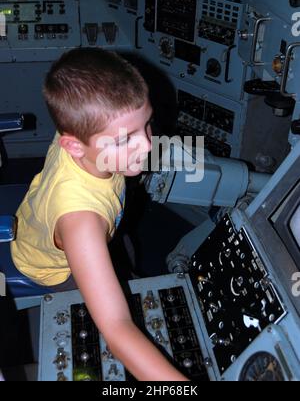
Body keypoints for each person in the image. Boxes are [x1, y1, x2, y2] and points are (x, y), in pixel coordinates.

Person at [10, 48, 188, 381]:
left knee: (124, 262)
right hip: (52, 268)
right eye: (126, 139)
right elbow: (117, 328)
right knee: (104, 334)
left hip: (80, 225)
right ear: (74, 146)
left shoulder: (84, 130)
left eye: (146, 125)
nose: (147, 146)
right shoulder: (81, 222)